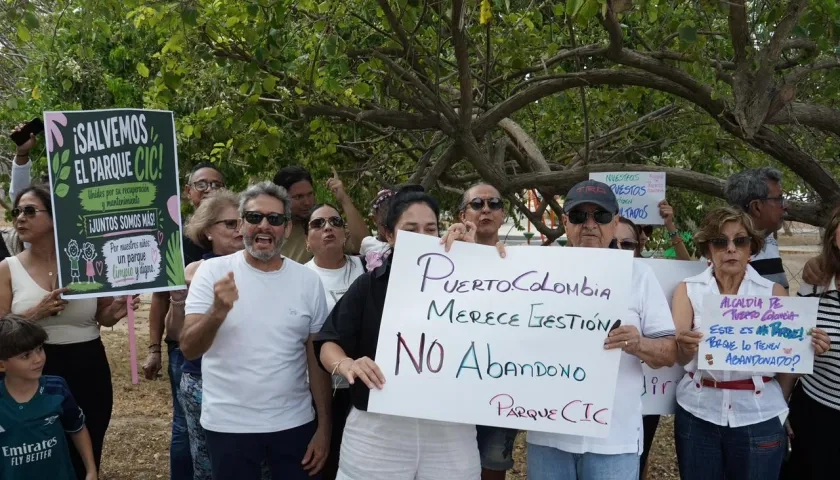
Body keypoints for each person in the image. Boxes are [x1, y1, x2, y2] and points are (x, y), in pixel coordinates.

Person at [315, 187, 485, 479]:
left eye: (430, 228)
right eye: (410, 229)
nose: (422, 235)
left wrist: (477, 260)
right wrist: (347, 364)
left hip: (449, 429)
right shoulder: (368, 287)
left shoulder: (469, 284)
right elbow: (328, 343)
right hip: (378, 431)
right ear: (389, 235)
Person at [526, 180, 677, 480]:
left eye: (602, 216)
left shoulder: (640, 276)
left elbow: (669, 353)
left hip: (614, 440)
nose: (590, 225)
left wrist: (639, 344)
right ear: (565, 222)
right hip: (548, 436)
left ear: (616, 222)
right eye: (580, 216)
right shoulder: (533, 270)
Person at [181, 181, 331, 479]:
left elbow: (315, 360)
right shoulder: (211, 272)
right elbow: (188, 347)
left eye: (274, 219)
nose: (264, 225)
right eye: (254, 217)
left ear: (287, 228)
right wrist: (217, 312)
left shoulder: (308, 281)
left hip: (294, 424)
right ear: (241, 223)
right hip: (229, 426)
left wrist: (324, 427)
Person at [670, 206, 830, 480]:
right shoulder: (688, 289)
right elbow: (680, 358)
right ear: (708, 248)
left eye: (740, 241)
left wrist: (809, 348)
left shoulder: (773, 292)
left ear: (751, 248)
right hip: (698, 412)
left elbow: (787, 359)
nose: (730, 248)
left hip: (758, 415)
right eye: (720, 241)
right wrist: (683, 347)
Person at [0, 185, 137, 479]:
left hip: (88, 363)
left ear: (56, 217)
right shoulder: (7, 268)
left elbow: (102, 315)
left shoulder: (88, 260)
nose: (20, 218)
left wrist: (114, 312)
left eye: (29, 210)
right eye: (17, 212)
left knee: (89, 437)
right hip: (33, 366)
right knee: (38, 449)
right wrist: (35, 314)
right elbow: (1, 329)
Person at [144, 162, 226, 480]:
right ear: (188, 192)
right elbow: (160, 299)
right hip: (184, 348)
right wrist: (154, 348)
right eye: (201, 184)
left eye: (216, 184)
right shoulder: (173, 242)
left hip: (229, 347)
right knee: (184, 427)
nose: (209, 190)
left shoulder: (240, 236)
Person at [168, 190, 244, 479]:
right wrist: (177, 298)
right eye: (229, 223)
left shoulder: (266, 266)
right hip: (202, 380)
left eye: (243, 222)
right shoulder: (193, 271)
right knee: (209, 463)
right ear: (207, 230)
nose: (240, 230)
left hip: (251, 380)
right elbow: (176, 333)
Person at [457, 183, 517, 480]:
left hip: (501, 388)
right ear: (463, 213)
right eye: (477, 204)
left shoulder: (522, 265)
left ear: (503, 213)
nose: (486, 210)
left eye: (494, 203)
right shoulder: (443, 257)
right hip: (451, 387)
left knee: (493, 468)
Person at [303, 204, 366, 480]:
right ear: (307, 240)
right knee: (324, 464)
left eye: (335, 221)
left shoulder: (369, 268)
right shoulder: (299, 278)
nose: (327, 227)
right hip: (318, 391)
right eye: (317, 224)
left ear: (345, 233)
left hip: (366, 388)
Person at [0, 315, 97, 480]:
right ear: (2, 364)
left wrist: (91, 469)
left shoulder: (57, 389)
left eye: (40, 349)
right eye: (26, 355)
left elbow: (77, 429)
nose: (38, 359)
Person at [783, 205, 840, 479]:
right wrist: (781, 406)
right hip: (814, 409)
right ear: (833, 235)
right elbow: (797, 341)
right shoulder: (817, 278)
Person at [273, 166, 368, 263]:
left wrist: (344, 199)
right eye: (298, 197)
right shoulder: (271, 233)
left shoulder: (324, 224)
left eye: (310, 194)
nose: (307, 202)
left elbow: (363, 245)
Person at [724, 167, 789, 289]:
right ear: (756, 207)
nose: (786, 206)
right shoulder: (722, 253)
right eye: (779, 199)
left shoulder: (769, 241)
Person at [360, 189, 394, 271]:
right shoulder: (367, 243)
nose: (390, 231)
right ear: (375, 219)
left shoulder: (403, 244)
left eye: (394, 224)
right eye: (385, 225)